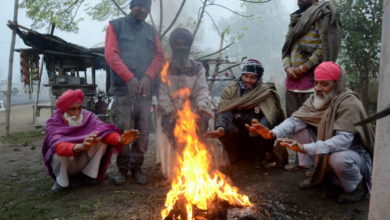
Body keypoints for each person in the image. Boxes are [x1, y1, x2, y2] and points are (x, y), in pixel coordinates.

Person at [246, 62, 374, 204]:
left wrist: (305, 148)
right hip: (326, 148)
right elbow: (295, 120)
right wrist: (272, 133)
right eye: (316, 83)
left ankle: (358, 186)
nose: (318, 88)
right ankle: (319, 173)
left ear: (337, 84)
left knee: (338, 159)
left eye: (324, 84)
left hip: (350, 154)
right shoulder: (316, 98)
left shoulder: (349, 103)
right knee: (299, 130)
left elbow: (342, 142)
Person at [104, 0, 164, 185]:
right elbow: (111, 54)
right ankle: (122, 169)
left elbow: (159, 56)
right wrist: (129, 77)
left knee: (143, 130)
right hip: (123, 89)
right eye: (139, 5)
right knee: (124, 128)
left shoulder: (151, 31)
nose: (142, 9)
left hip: (145, 90)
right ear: (131, 6)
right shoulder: (116, 26)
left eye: (146, 7)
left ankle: (137, 167)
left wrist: (147, 77)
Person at [281, 0, 342, 170]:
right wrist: (287, 67)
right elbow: (286, 47)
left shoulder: (322, 15)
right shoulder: (295, 18)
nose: (299, 0)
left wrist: (303, 68)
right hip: (292, 82)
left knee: (315, 122)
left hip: (313, 82)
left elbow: (324, 47)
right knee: (294, 121)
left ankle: (317, 162)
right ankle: (300, 159)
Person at [42, 89, 140, 193]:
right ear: (64, 110)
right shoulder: (53, 122)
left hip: (82, 160)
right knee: (57, 153)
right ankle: (61, 181)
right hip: (66, 163)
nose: (77, 113)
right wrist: (80, 146)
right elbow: (58, 145)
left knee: (101, 141)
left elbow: (103, 130)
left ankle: (89, 176)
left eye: (79, 108)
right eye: (72, 109)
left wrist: (119, 140)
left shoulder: (87, 116)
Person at [205, 59, 288, 168]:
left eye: (252, 77)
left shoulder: (266, 92)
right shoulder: (231, 90)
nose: (248, 80)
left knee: (267, 130)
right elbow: (224, 110)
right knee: (228, 128)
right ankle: (233, 156)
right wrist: (221, 127)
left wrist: (261, 126)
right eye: (245, 76)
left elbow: (271, 114)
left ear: (259, 78)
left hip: (256, 137)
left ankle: (259, 157)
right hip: (237, 136)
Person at [158, 28, 212, 149]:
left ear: (189, 46)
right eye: (178, 44)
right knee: (169, 125)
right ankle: (181, 159)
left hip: (193, 108)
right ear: (173, 46)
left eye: (185, 44)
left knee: (202, 119)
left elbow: (202, 90)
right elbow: (162, 94)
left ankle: (199, 154)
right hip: (171, 109)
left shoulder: (198, 67)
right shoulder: (164, 67)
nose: (182, 47)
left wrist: (201, 106)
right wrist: (172, 111)